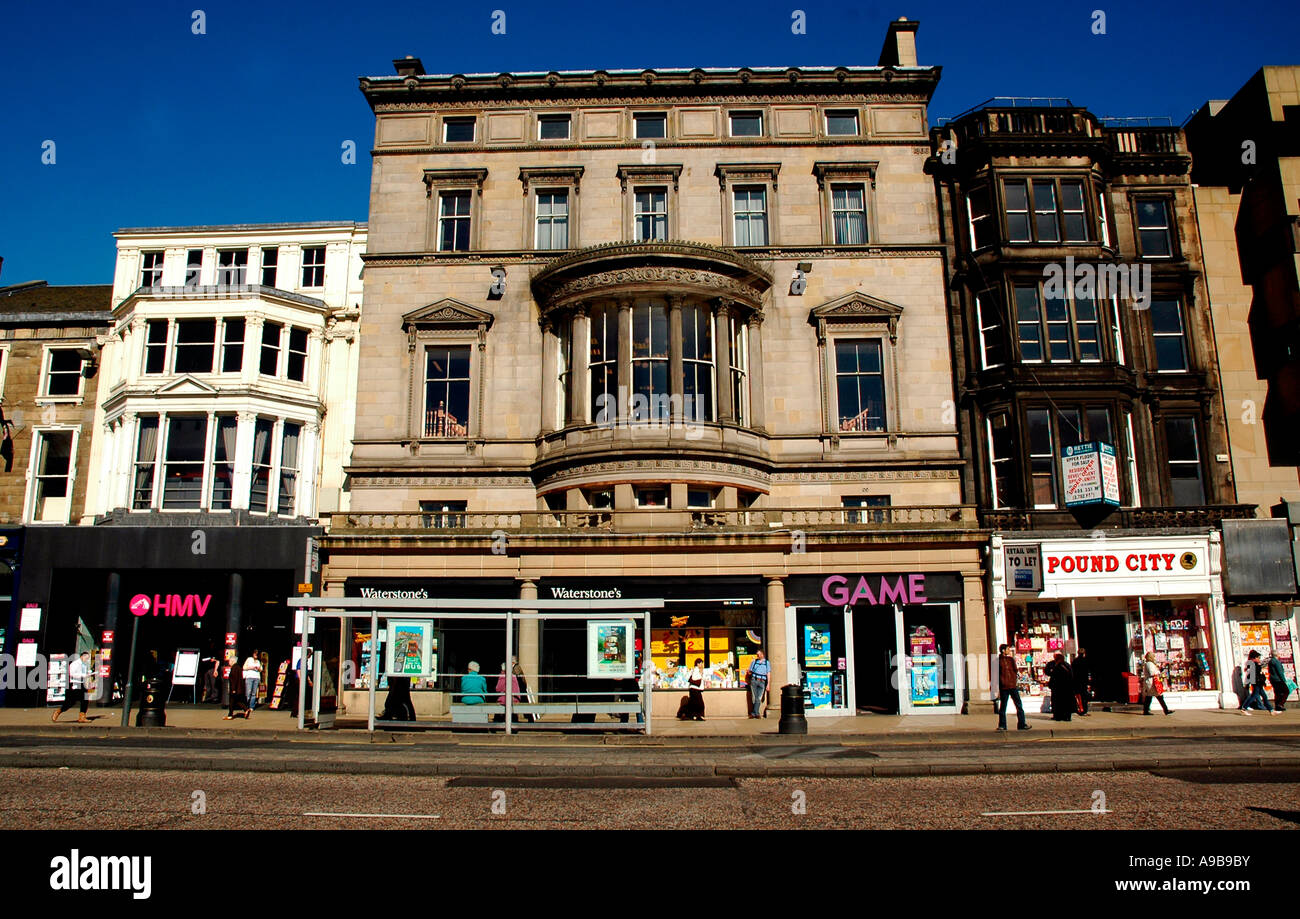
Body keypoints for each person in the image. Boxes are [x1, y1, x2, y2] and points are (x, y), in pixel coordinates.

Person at [995, 644, 1030, 732]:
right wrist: (997, 687)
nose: (1009, 651)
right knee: (1003, 706)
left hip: (1012, 686)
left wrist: (1014, 680)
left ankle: (1022, 724)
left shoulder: (1010, 659)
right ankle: (1002, 725)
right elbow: (996, 675)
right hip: (1004, 687)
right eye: (1007, 649)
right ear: (1003, 650)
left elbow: (1015, 670)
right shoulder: (997, 661)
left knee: (1019, 705)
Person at [52, 651, 93, 723]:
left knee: (85, 700)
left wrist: (88, 674)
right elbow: (72, 674)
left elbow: (83, 674)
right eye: (86, 658)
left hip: (81, 684)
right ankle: (58, 711)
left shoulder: (84, 665)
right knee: (70, 702)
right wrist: (83, 675)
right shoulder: (75, 664)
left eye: (87, 658)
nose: (86, 659)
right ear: (82, 656)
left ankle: (82, 716)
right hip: (75, 684)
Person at [1240, 650, 1275, 714]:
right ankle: (1244, 708)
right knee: (1254, 696)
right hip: (1256, 683)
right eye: (1258, 658)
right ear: (1253, 658)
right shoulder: (1253, 665)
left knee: (1264, 696)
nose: (1259, 659)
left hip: (1258, 683)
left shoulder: (1253, 664)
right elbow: (1252, 675)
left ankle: (1271, 710)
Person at [1044, 652, 1075, 722]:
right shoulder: (1067, 666)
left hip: (1057, 689)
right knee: (1066, 702)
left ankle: (1058, 716)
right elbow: (1071, 676)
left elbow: (1052, 677)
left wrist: (1050, 685)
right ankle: (1067, 716)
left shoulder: (1056, 667)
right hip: (1067, 688)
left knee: (1057, 703)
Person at [1141, 651, 1173, 716]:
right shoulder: (1149, 664)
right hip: (1152, 683)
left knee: (1152, 697)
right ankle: (1165, 710)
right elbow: (1152, 673)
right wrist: (1158, 672)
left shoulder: (1149, 663)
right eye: (1153, 656)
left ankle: (1147, 710)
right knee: (1155, 697)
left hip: (1152, 682)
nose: (1154, 657)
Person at [224, 650, 251, 720]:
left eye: (229, 661)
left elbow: (234, 680)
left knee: (232, 701)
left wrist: (233, 689)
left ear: (232, 661)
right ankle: (246, 710)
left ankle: (230, 715)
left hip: (235, 689)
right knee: (236, 701)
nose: (229, 662)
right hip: (239, 689)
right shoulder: (239, 668)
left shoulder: (234, 668)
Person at [745, 650, 771, 719]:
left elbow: (768, 673)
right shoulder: (754, 662)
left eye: (758, 654)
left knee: (758, 698)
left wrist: (768, 684)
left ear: (762, 655)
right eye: (757, 654)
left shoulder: (766, 663)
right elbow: (750, 671)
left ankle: (754, 713)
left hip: (762, 681)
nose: (757, 656)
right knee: (754, 697)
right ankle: (756, 713)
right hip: (754, 680)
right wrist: (748, 672)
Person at [1073, 648, 1091, 716]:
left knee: (1078, 695)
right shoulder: (1085, 661)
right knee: (1084, 696)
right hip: (1084, 681)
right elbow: (1087, 672)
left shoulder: (1075, 661)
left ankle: (1080, 709)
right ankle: (1084, 710)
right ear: (1084, 653)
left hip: (1076, 681)